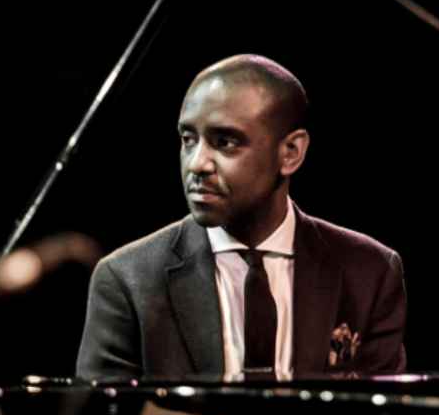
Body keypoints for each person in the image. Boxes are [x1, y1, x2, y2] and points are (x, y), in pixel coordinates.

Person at [76, 55, 407, 382]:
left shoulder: (370, 271)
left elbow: (382, 414)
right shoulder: (126, 280)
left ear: (291, 152)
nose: (197, 164)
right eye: (188, 140)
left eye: (225, 143)